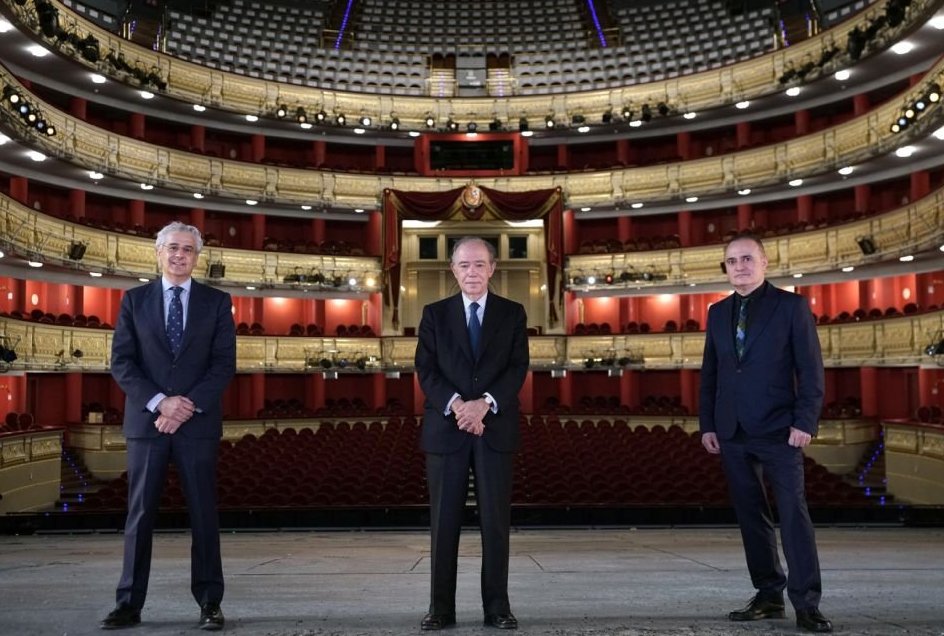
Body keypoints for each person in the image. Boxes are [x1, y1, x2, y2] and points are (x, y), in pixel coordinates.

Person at [100, 221, 236, 631]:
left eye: (188, 250)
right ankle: (128, 604)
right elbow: (122, 362)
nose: (179, 255)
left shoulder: (216, 302)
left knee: (203, 515)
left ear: (198, 257)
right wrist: (162, 402)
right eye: (172, 248)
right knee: (139, 516)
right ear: (158, 253)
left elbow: (222, 365)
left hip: (196, 425)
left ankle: (210, 603)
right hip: (147, 424)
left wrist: (184, 406)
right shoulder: (133, 300)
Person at [699, 233, 832, 633]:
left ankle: (806, 602)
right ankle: (768, 595)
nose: (739, 266)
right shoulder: (717, 313)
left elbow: (810, 370)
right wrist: (708, 423)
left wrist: (805, 422)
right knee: (751, 518)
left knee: (793, 515)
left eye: (746, 259)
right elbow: (711, 373)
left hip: (779, 429)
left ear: (764, 263)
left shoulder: (792, 307)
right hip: (732, 430)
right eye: (731, 260)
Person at [414, 237, 529, 631]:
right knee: (443, 525)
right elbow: (426, 370)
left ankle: (497, 608)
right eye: (464, 265)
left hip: (494, 428)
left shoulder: (513, 313)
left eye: (479, 264)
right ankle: (440, 609)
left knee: (495, 524)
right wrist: (460, 406)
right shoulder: (433, 314)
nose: (472, 272)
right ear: (453, 270)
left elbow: (517, 369)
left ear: (493, 268)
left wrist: (484, 404)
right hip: (447, 430)